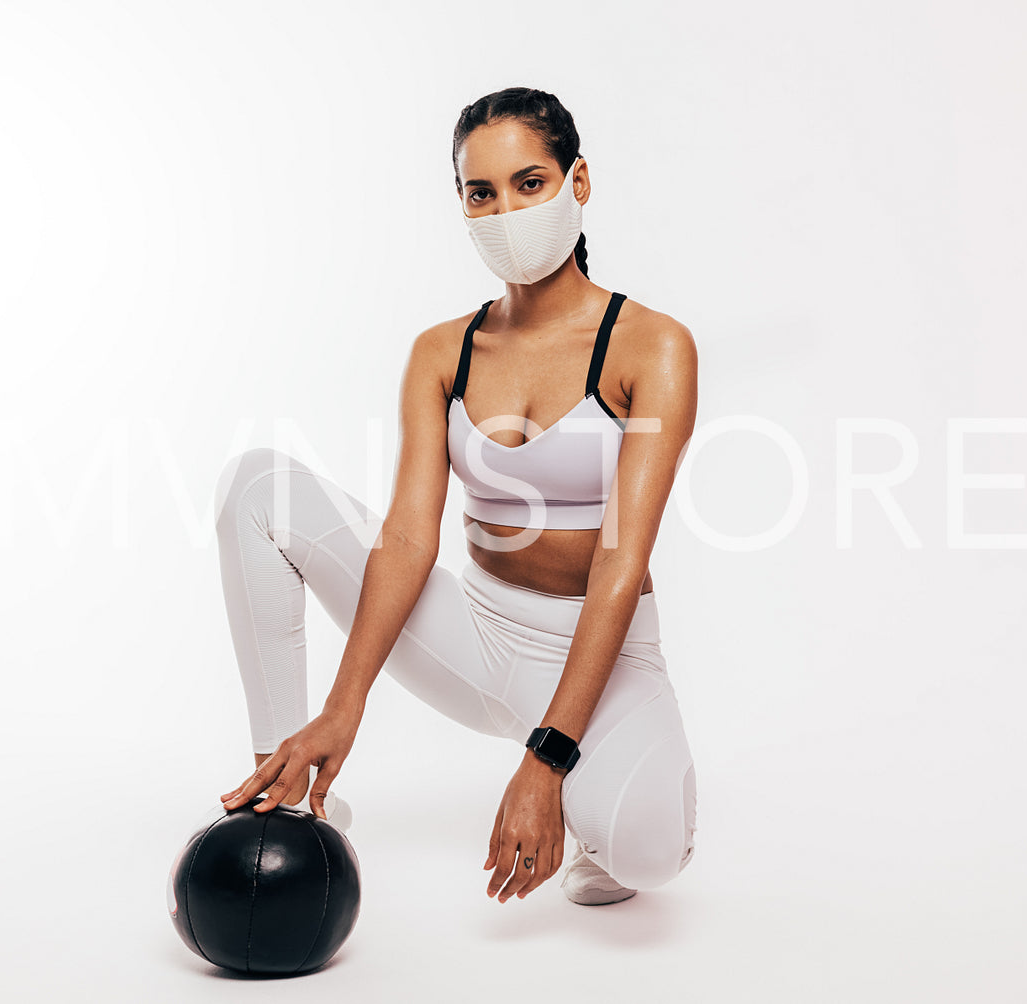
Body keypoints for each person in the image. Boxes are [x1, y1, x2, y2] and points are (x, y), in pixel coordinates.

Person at [215, 87, 699, 906]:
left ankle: (597, 802)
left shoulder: (651, 345)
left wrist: (547, 762)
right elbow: (407, 541)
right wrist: (343, 709)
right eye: (482, 193)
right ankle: (282, 784)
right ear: (462, 204)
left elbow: (620, 566)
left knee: (647, 859)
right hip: (476, 634)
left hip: (602, 655)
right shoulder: (443, 351)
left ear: (577, 182)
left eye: (529, 183)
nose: (504, 210)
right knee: (260, 488)